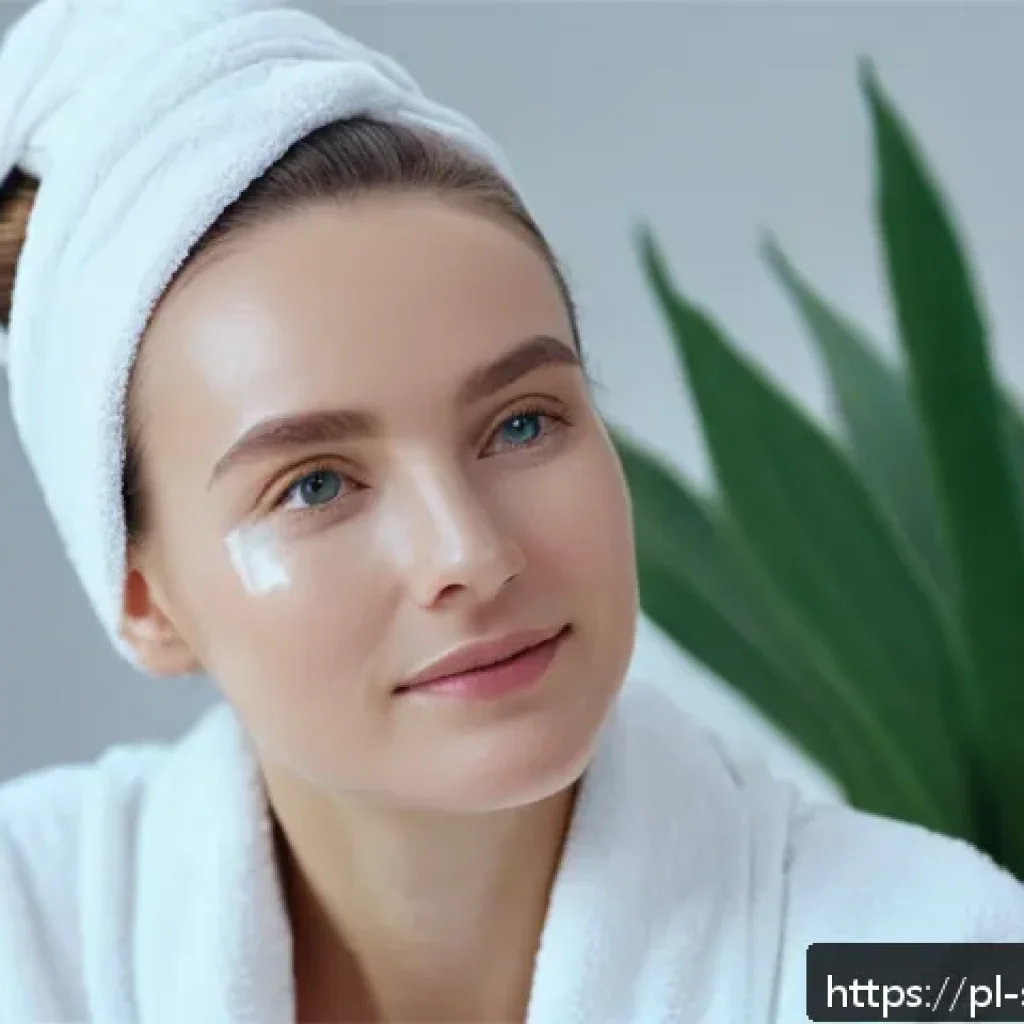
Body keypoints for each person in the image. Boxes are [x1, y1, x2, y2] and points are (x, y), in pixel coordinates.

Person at [1, 2, 1023, 1022]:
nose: (470, 552)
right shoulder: (31, 932)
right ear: (144, 598)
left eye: (523, 424)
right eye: (315, 483)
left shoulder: (930, 957)